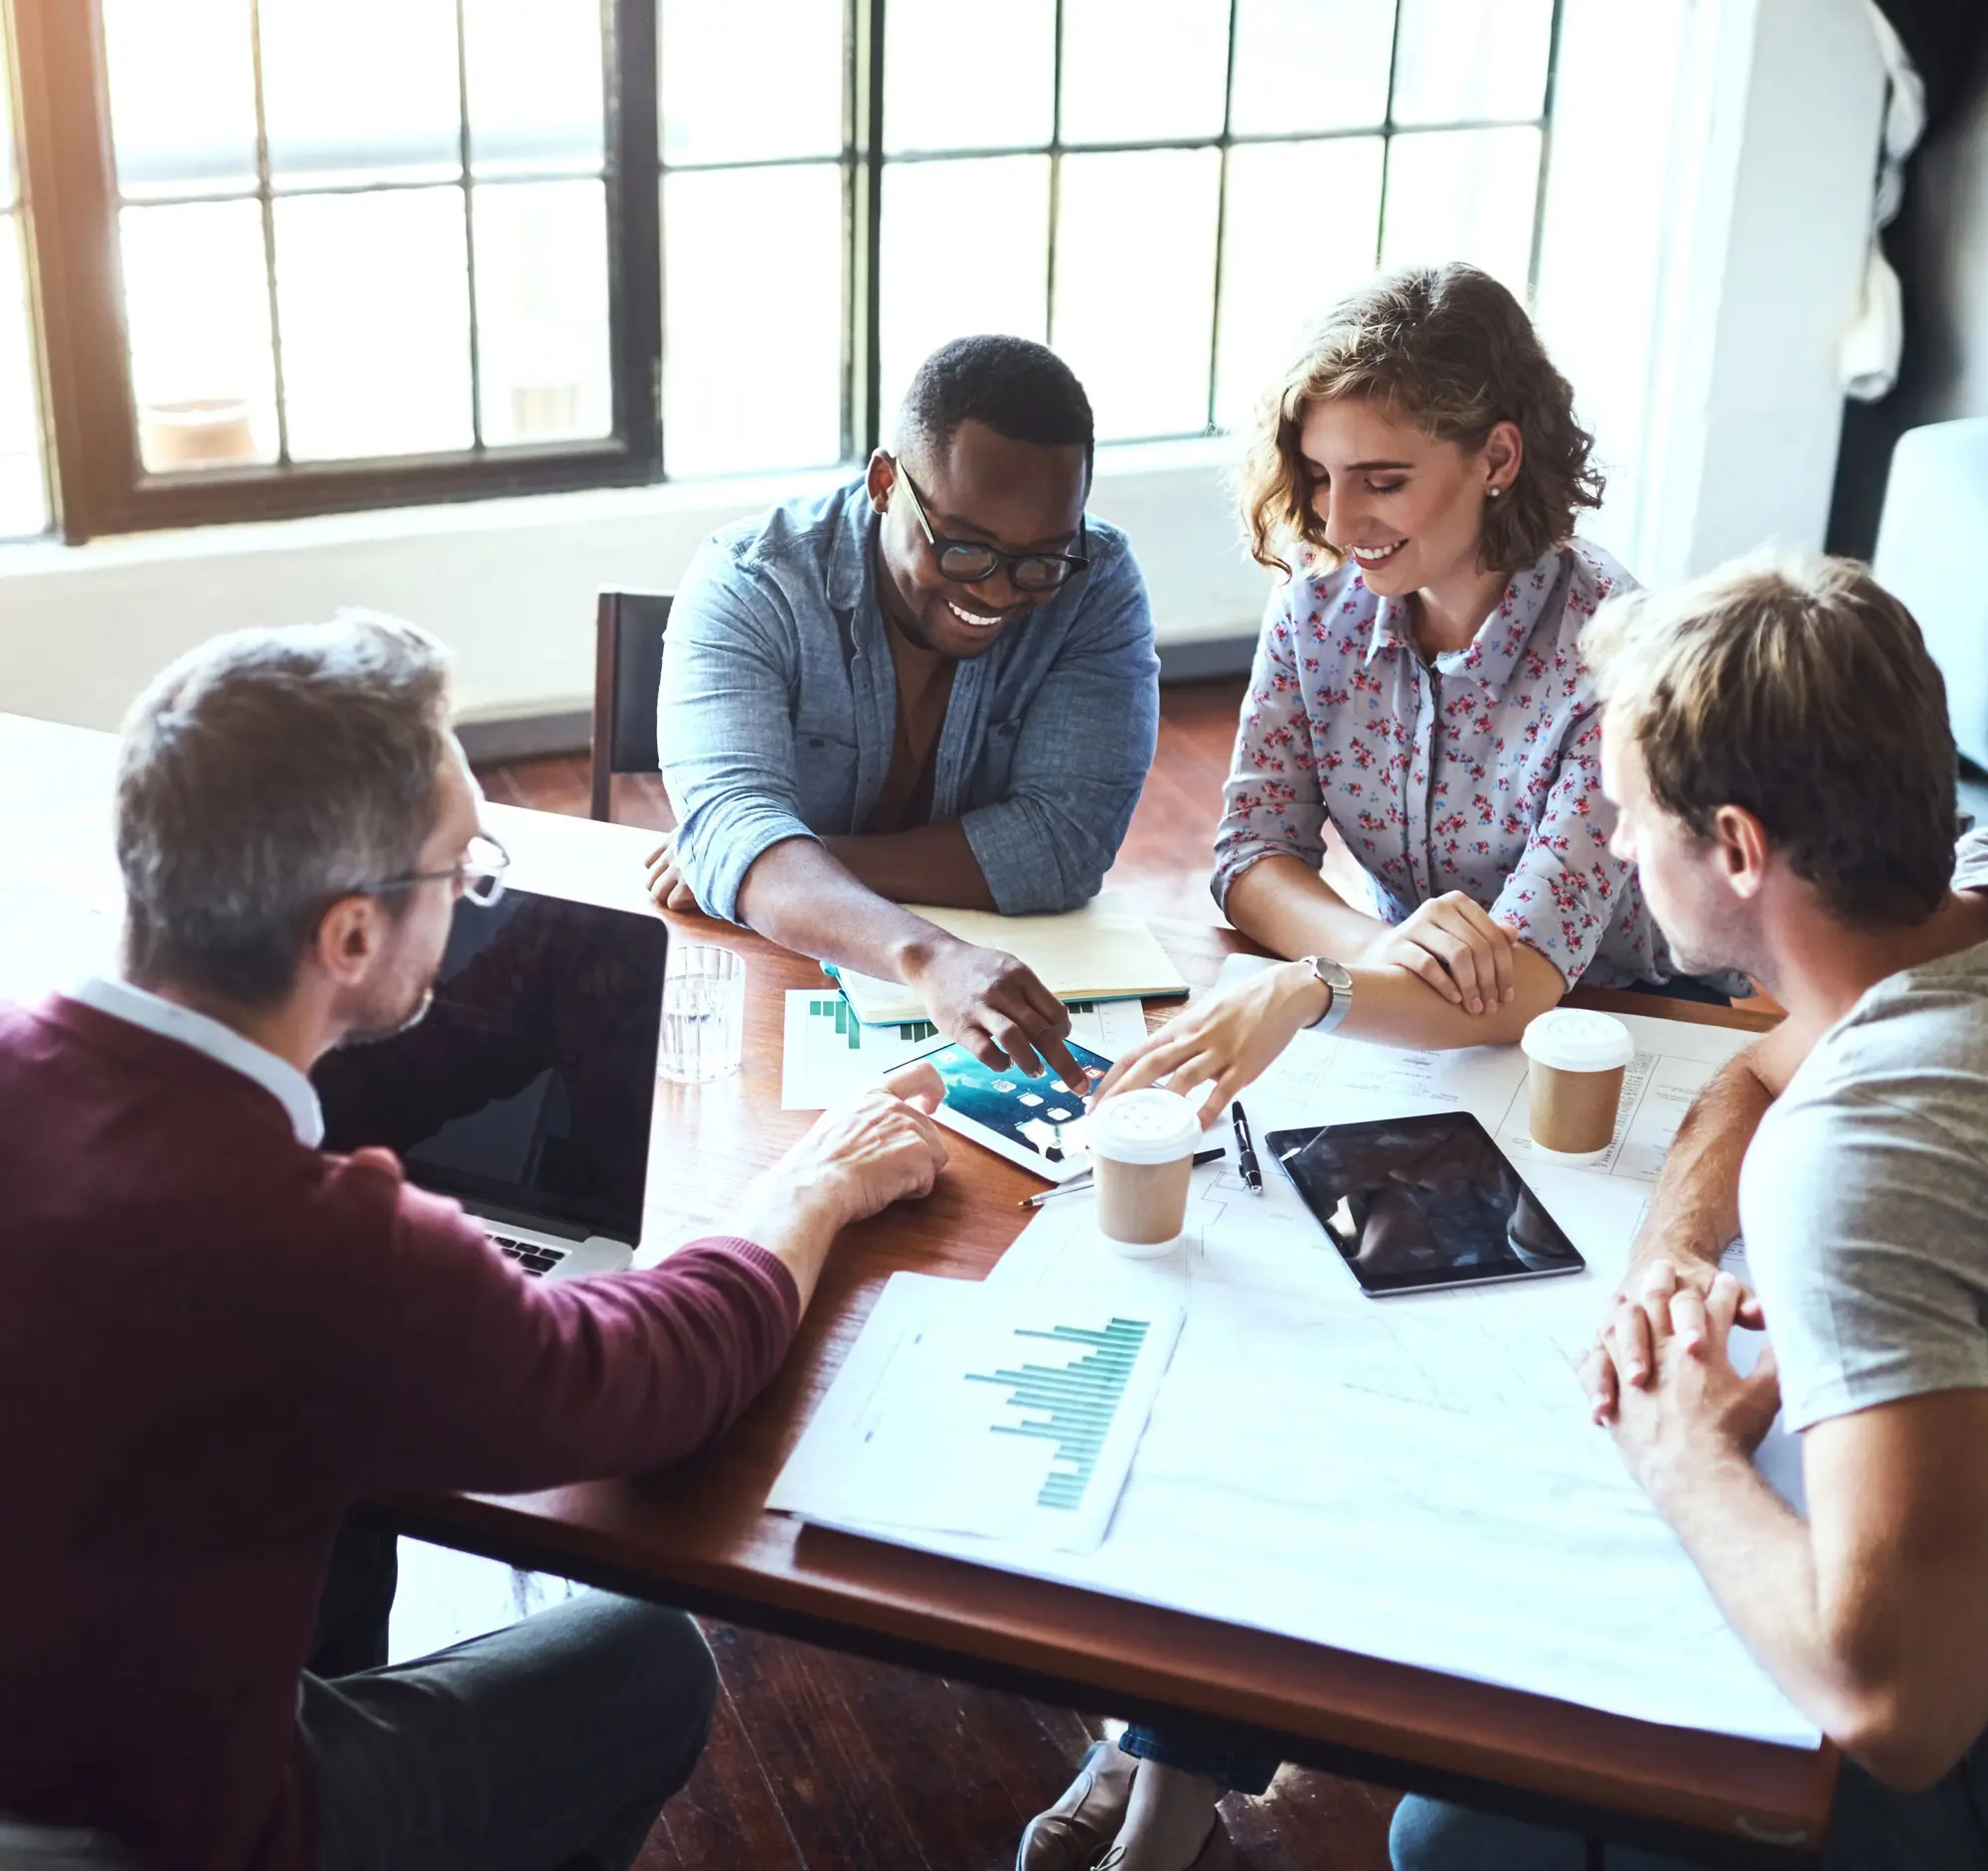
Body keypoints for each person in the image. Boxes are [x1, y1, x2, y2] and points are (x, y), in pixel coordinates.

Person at [0, 614, 953, 1871]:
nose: (473, 898)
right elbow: (645, 1376)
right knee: (642, 1662)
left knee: (330, 1512)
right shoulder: (319, 1246)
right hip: (180, 1837)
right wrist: (813, 1186)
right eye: (464, 874)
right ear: (348, 937)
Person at [1021, 261, 1726, 1871]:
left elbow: (1536, 973)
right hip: (1413, 1019)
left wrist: (1319, 984)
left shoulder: (1611, 646)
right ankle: (1172, 1778)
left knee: (1428, 1381)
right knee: (1251, 1343)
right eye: (1321, 476)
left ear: (1496, 456)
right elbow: (1246, 858)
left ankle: (1176, 1784)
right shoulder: (1328, 599)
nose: (1340, 516)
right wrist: (1365, 957)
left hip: (1610, 1073)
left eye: (1382, 478)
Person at [1392, 553, 1988, 1869]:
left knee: (1447, 1836)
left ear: (1734, 845)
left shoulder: (1863, 1151)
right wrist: (1671, 1244)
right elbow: (1765, 1063)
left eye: (1628, 816)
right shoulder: (1948, 913)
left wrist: (1684, 1454)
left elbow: (1903, 1707)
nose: (1613, 845)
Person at [647, 334, 1159, 1095]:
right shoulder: (749, 581)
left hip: (979, 1002)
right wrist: (928, 955)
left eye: (1042, 559)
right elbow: (734, 821)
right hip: (768, 996)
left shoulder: (1099, 584)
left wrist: (780, 863)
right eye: (964, 548)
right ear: (886, 482)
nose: (997, 591)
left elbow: (1065, 844)